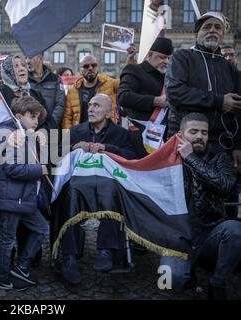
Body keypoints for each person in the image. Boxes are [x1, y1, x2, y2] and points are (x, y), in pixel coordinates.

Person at [57, 94, 136, 285]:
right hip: (78, 181)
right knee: (70, 193)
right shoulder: (76, 131)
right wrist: (74, 147)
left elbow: (133, 156)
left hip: (107, 180)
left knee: (111, 191)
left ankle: (106, 249)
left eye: (97, 105)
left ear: (109, 112)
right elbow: (56, 153)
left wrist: (107, 147)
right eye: (90, 105)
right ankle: (69, 255)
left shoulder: (121, 134)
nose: (91, 109)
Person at [0, 55, 51, 268]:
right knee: (4, 217)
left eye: (24, 64)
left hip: (31, 163)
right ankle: (2, 263)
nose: (23, 68)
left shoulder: (35, 93)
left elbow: (49, 122)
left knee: (29, 212)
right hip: (7, 167)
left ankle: (26, 259)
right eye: (16, 65)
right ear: (7, 70)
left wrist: (41, 134)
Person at [172, 113, 241, 299]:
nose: (199, 136)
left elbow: (225, 187)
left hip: (210, 231)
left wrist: (191, 158)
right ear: (180, 135)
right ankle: (191, 267)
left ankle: (217, 283)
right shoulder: (168, 158)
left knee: (235, 229)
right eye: (193, 131)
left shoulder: (219, 156)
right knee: (174, 280)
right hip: (178, 236)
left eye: (204, 132)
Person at [165, 11, 241, 171]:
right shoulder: (182, 57)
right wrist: (219, 101)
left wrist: (238, 145)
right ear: (197, 33)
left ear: (222, 35)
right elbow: (175, 92)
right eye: (207, 27)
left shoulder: (230, 69)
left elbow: (238, 110)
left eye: (218, 27)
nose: (213, 30)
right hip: (186, 141)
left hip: (221, 145)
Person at [0, 96, 50, 290]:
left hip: (23, 197)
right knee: (7, 240)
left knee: (41, 229)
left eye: (37, 118)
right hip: (11, 197)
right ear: (18, 116)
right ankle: (4, 279)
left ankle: (22, 266)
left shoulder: (23, 133)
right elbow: (13, 169)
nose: (36, 121)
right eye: (32, 117)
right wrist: (39, 170)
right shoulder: (13, 135)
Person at [118, 37, 173, 158]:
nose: (167, 61)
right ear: (150, 54)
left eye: (169, 58)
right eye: (162, 57)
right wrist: (155, 101)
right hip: (141, 136)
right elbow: (123, 97)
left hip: (167, 136)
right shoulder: (134, 70)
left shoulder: (170, 76)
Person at [62, 55, 120, 129]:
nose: (90, 68)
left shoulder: (110, 83)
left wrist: (130, 59)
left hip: (106, 135)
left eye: (93, 65)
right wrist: (67, 139)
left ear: (97, 67)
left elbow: (128, 82)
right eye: (86, 66)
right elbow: (67, 118)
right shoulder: (72, 91)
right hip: (80, 135)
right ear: (80, 70)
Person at [26, 53, 65, 128]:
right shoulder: (24, 80)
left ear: (40, 59)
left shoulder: (55, 79)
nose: (27, 61)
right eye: (26, 58)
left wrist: (51, 124)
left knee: (54, 140)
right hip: (31, 128)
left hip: (52, 128)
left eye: (30, 57)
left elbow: (60, 104)